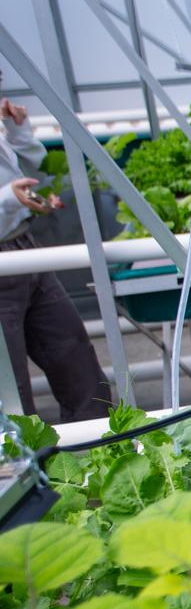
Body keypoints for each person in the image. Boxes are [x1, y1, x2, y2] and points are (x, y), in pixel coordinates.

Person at [0, 83, 113, 422]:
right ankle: (27, 468)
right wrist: (9, 199)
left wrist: (19, 132)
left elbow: (33, 174)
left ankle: (102, 451)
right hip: (7, 260)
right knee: (11, 386)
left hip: (24, 247)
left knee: (75, 357)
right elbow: (10, 193)